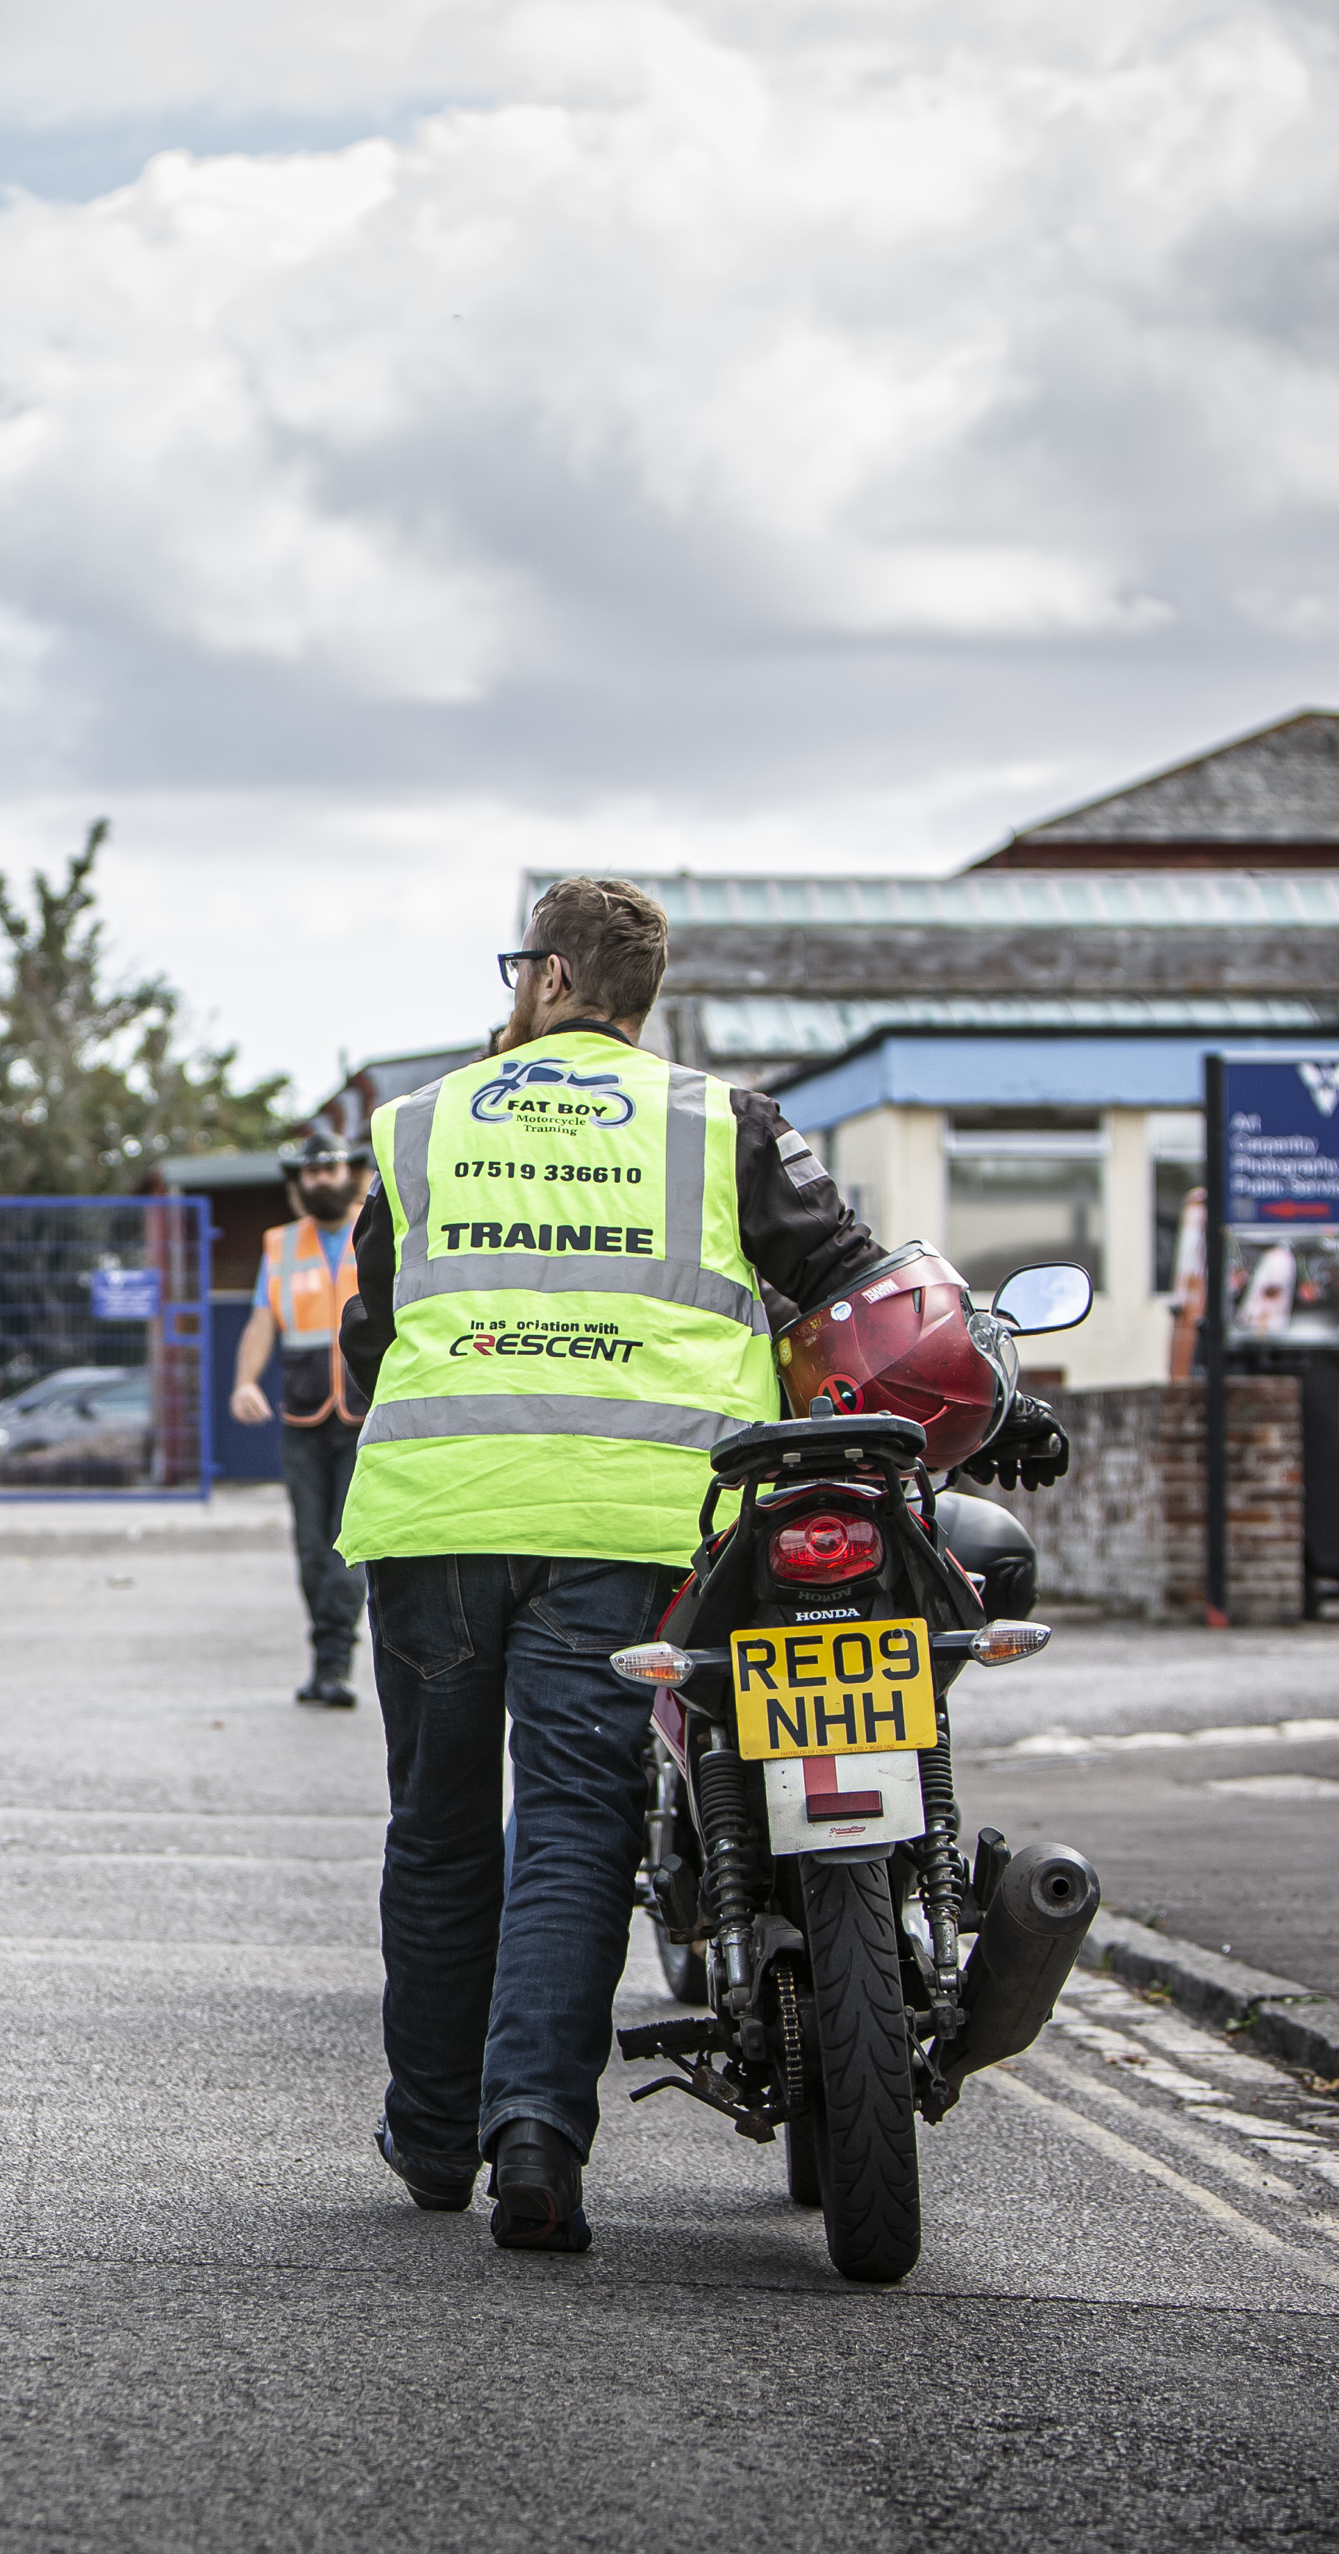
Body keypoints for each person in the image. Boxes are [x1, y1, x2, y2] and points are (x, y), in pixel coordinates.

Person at [334, 875, 898, 2254]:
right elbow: (854, 1283)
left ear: (550, 979)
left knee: (441, 1823)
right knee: (578, 1823)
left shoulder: (418, 1124)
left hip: (435, 1517)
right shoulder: (723, 1122)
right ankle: (534, 2130)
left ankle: (426, 2130)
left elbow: (370, 1333)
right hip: (626, 1521)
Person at [226, 1129, 373, 1708]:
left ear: (350, 1174)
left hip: (367, 1415)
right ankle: (324, 1663)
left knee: (347, 1546)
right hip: (304, 1414)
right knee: (311, 1549)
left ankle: (335, 1662)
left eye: (331, 1169)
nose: (322, 1180)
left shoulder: (381, 1228)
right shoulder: (281, 1246)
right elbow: (263, 1321)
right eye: (311, 1172)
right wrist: (242, 1382)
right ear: (300, 1183)